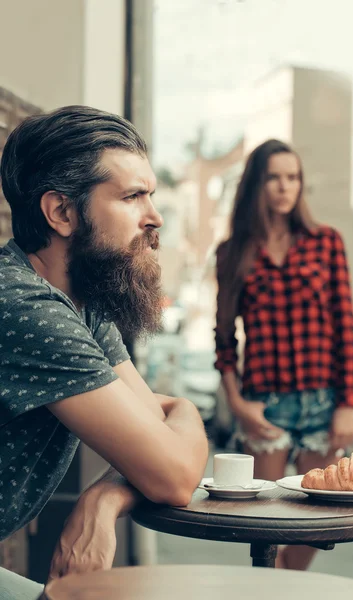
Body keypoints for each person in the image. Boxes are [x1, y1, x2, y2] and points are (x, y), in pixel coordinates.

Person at [0, 106, 209, 599]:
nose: (154, 217)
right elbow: (173, 473)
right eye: (133, 196)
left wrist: (106, 495)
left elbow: (163, 449)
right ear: (62, 213)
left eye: (151, 194)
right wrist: (178, 414)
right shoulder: (26, 308)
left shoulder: (82, 306)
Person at [214, 139, 353, 570]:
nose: (285, 187)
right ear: (257, 185)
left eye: (293, 177)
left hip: (323, 402)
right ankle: (271, 585)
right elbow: (224, 339)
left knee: (318, 523)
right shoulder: (232, 252)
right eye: (274, 177)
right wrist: (237, 402)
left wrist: (348, 404)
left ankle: (285, 583)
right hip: (265, 405)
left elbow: (346, 328)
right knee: (266, 523)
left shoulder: (326, 242)